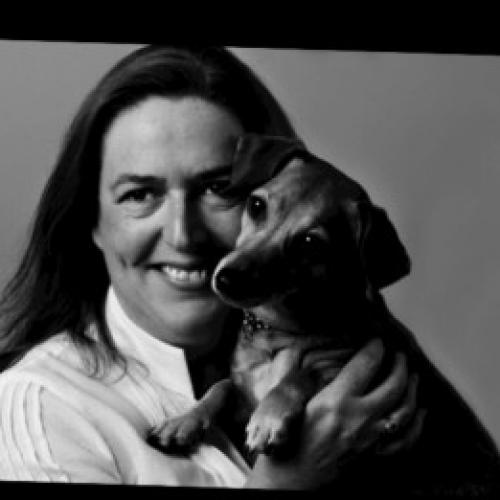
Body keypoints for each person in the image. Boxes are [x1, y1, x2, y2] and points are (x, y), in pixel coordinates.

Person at [0, 45, 421, 488]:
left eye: (218, 188)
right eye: (140, 194)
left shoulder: (336, 361)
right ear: (90, 221)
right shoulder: (41, 410)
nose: (183, 235)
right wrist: (287, 481)